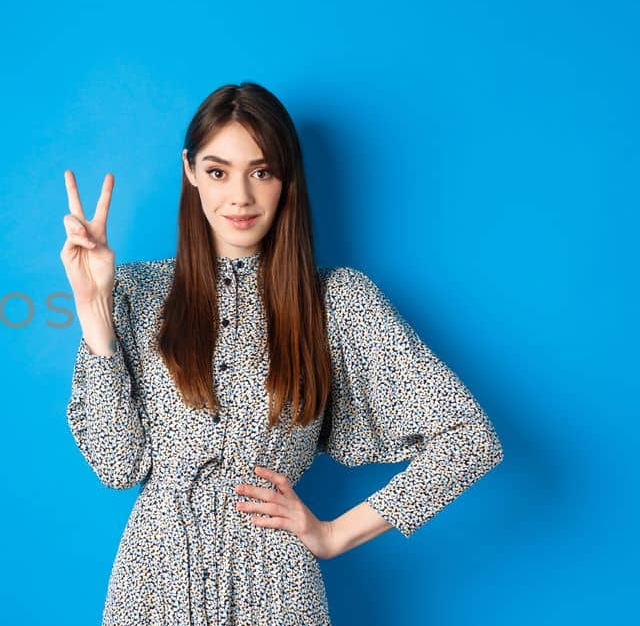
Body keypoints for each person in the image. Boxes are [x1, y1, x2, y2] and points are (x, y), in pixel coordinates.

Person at [57, 82, 504, 625]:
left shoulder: (337, 301)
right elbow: (117, 467)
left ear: (286, 178)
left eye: (261, 172)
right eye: (218, 171)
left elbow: (470, 440)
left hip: (276, 590)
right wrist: (93, 310)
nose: (240, 196)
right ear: (190, 170)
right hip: (155, 584)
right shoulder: (134, 291)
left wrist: (334, 534)